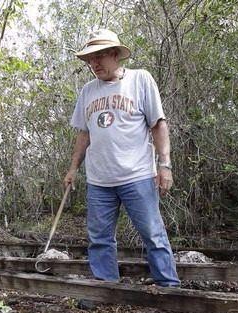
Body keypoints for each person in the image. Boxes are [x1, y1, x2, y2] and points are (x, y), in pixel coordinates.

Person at [63, 29, 180, 287]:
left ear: (116, 55)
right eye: (90, 59)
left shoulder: (140, 80)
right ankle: (106, 290)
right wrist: (73, 168)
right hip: (99, 180)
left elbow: (158, 125)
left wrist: (165, 165)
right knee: (100, 239)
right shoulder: (88, 91)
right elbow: (84, 133)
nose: (94, 64)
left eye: (100, 57)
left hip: (136, 176)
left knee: (153, 234)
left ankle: (169, 288)